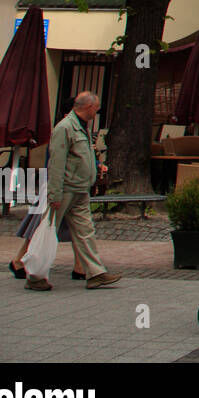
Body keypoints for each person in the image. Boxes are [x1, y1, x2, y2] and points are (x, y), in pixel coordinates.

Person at [26, 91, 122, 291]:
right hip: (66, 189)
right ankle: (34, 276)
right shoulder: (65, 128)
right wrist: (54, 194)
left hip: (80, 189)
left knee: (85, 231)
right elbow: (56, 163)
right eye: (96, 109)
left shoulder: (81, 127)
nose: (96, 113)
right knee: (48, 230)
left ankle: (95, 273)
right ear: (88, 107)